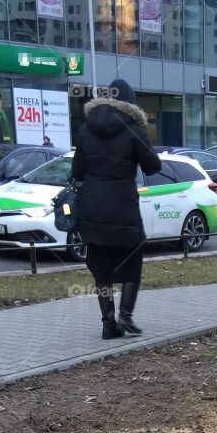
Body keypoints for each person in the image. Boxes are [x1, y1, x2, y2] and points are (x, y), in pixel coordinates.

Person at [72, 78, 162, 338]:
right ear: (129, 104)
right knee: (132, 262)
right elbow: (153, 165)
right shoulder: (134, 128)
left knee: (101, 269)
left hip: (93, 209)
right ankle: (126, 318)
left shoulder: (86, 129)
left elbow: (77, 171)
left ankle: (108, 324)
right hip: (123, 208)